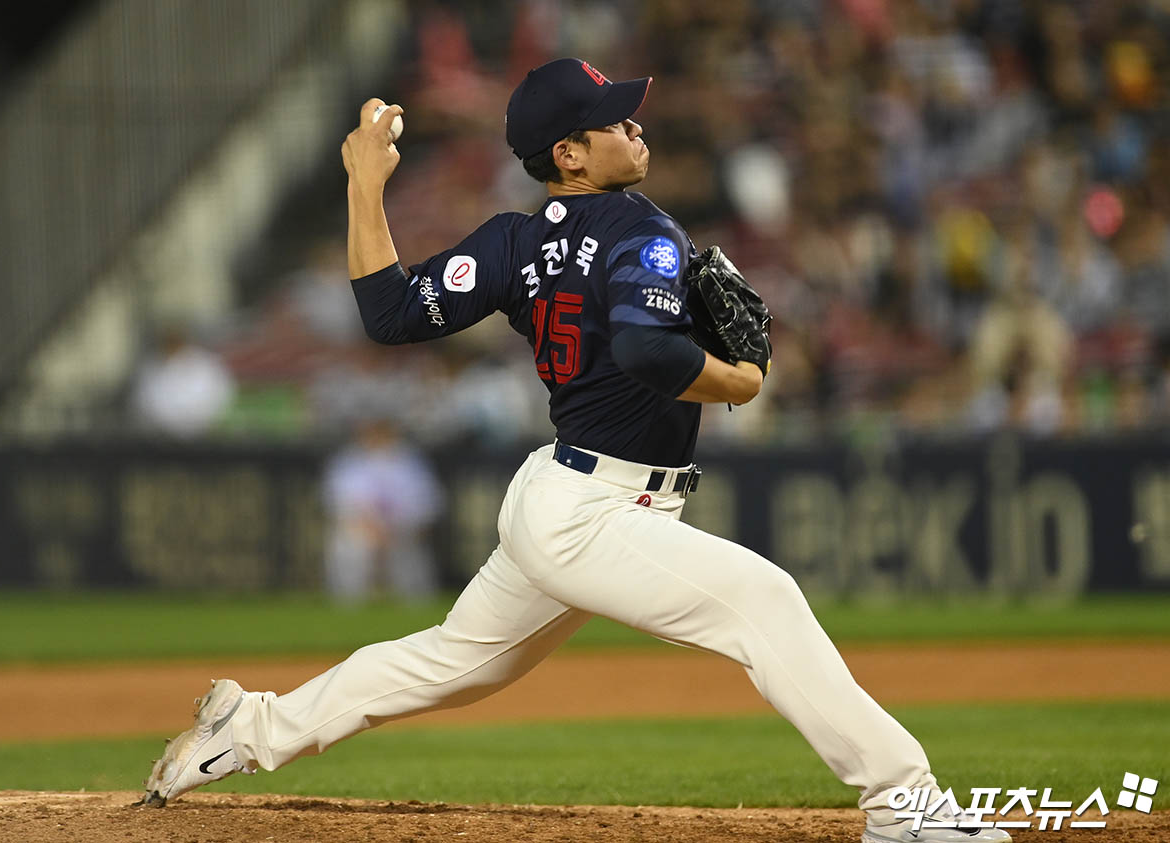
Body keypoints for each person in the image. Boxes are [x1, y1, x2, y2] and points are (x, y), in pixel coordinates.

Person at [142, 58, 1008, 843]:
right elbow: (645, 350)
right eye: (613, 121)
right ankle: (905, 803)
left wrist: (364, 185)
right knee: (764, 599)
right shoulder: (644, 232)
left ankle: (249, 727)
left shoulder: (512, 241)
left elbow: (389, 312)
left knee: (452, 662)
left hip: (555, 494)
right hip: (595, 512)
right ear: (570, 153)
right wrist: (739, 382)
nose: (635, 125)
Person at [322, 414, 444, 602]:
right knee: (352, 549)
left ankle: (414, 606)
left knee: (409, 557)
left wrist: (399, 529)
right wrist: (370, 528)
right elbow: (338, 502)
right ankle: (350, 604)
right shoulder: (347, 462)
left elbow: (426, 502)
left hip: (403, 531)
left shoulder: (411, 462)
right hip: (360, 530)